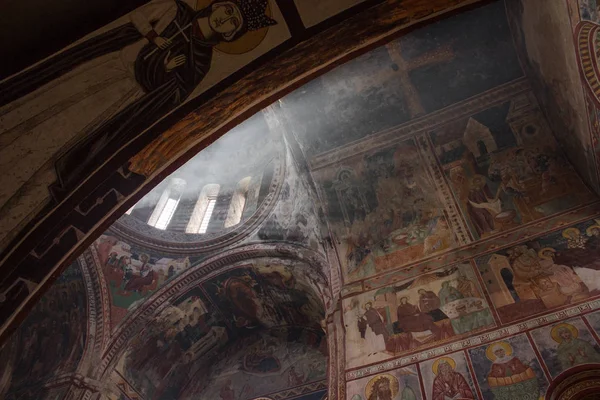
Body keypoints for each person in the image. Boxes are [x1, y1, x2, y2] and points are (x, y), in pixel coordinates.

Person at [0, 0, 278, 200]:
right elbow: (140, 17)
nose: (225, 19)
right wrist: (154, 37)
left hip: (125, 96)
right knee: (48, 104)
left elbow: (174, 97)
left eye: (233, 23)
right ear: (218, 4)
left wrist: (166, 71)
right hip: (110, 66)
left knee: (60, 138)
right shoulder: (175, 9)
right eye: (228, 10)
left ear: (230, 34)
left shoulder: (202, 62)